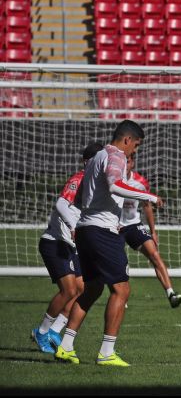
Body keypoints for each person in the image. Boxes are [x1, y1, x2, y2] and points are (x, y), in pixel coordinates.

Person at [54, 120, 163, 367]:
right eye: (136, 145)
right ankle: (106, 352)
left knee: (92, 289)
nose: (135, 151)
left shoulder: (95, 159)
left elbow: (81, 198)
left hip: (85, 230)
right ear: (127, 140)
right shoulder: (116, 156)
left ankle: (65, 346)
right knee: (122, 290)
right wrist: (150, 197)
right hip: (103, 232)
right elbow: (115, 184)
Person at [31, 142, 103, 354]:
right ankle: (42, 332)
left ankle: (54, 331)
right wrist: (73, 226)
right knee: (70, 290)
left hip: (70, 244)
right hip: (54, 242)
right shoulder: (79, 178)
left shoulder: (95, 185)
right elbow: (62, 205)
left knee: (82, 289)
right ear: (88, 162)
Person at [120, 152, 181, 308]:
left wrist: (153, 231)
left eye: (127, 161)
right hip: (115, 226)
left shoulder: (140, 182)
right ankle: (120, 298)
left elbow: (147, 206)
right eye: (122, 161)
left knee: (154, 254)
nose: (125, 164)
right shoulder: (112, 179)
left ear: (132, 163)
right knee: (119, 262)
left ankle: (171, 294)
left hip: (134, 225)